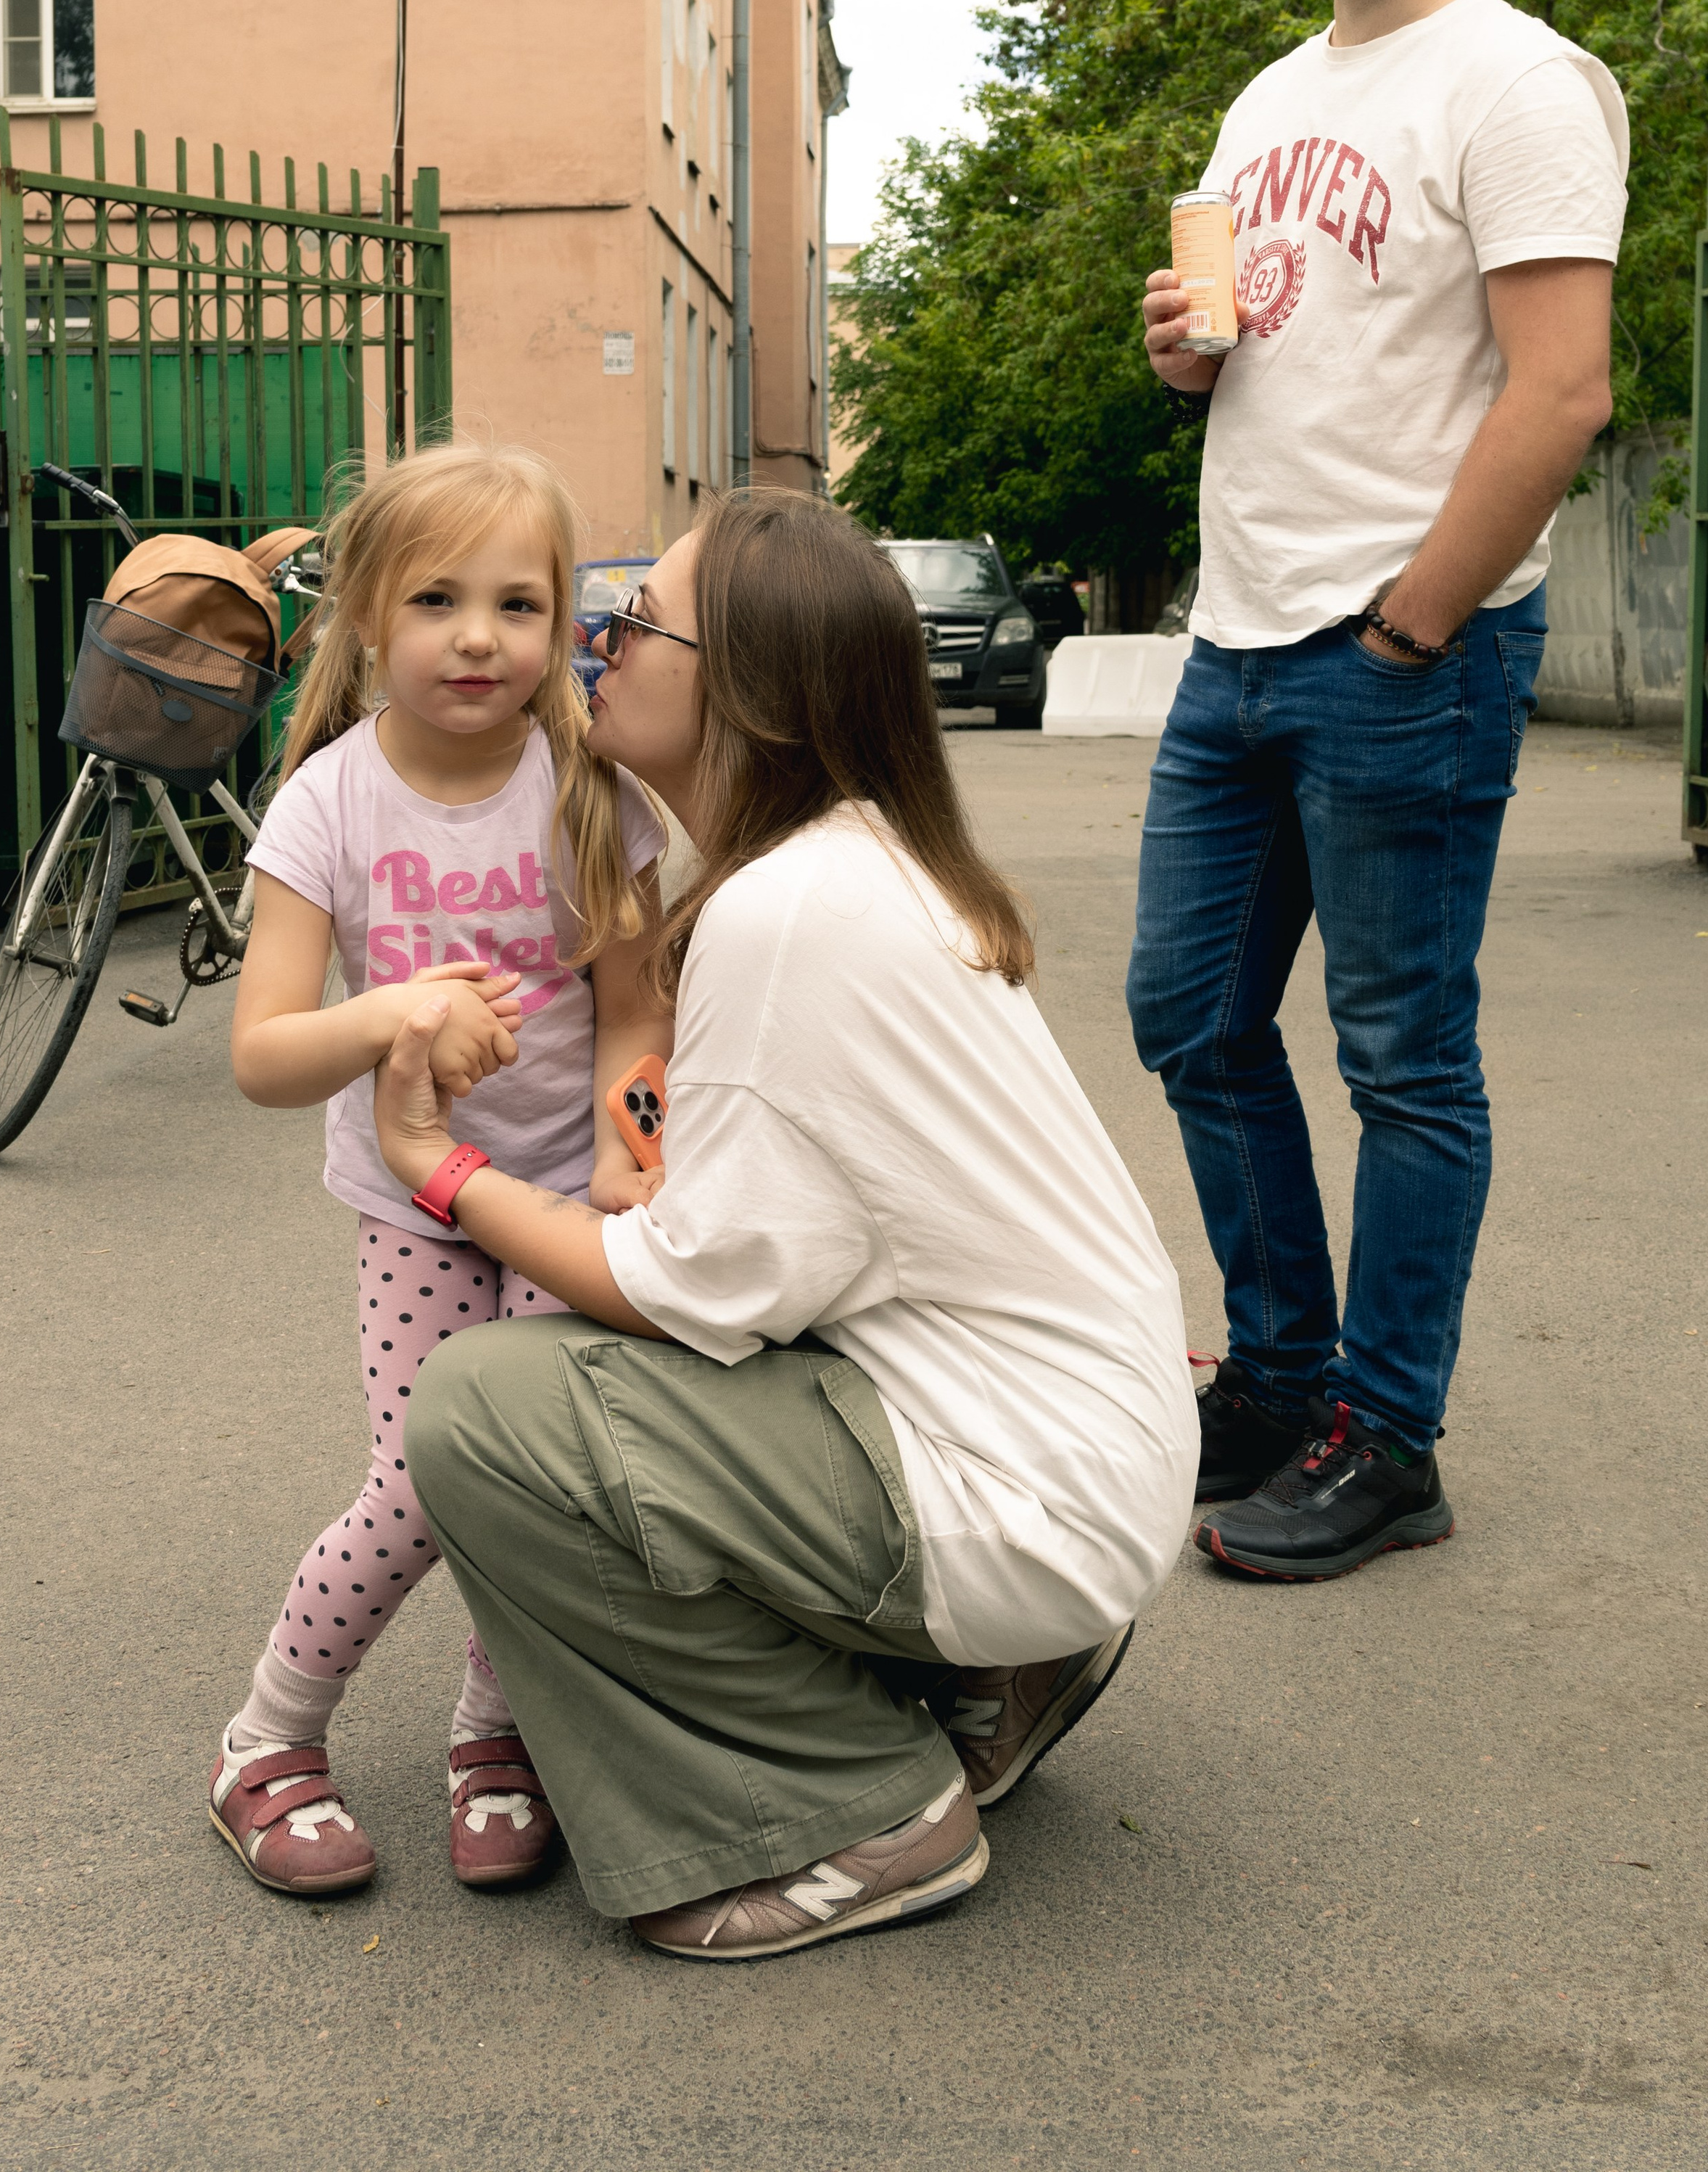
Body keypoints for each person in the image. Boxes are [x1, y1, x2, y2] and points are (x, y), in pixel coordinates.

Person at [376, 491, 1198, 1961]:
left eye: (637, 620)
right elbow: (785, 1229)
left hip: (1019, 1487)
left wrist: (441, 1174)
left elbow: (688, 1293)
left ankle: (856, 1811)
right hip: (1074, 1451)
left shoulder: (787, 910)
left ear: (748, 686)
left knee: (482, 1412)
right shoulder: (851, 862)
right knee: (588, 1386)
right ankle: (992, 1671)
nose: (595, 637)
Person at [1127, 0, 1626, 1582]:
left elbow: (1559, 391)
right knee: (1188, 1014)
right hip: (1236, 643)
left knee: (1405, 1057)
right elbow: (1268, 348)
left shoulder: (1520, 84)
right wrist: (1186, 354)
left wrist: (1418, 618)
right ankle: (1276, 1374)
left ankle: (1388, 1437)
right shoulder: (1271, 98)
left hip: (1395, 655)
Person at [211, 441, 668, 1898]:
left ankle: (495, 1738)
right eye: (435, 600)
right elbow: (266, 1054)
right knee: (418, 1485)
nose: (479, 637)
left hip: (559, 1206)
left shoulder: (591, 783)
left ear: (561, 622)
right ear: (362, 616)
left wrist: (626, 1154)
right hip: (410, 1207)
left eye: (518, 604)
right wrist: (394, 1012)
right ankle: (266, 1741)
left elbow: (638, 1008)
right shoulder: (330, 805)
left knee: (532, 1484)